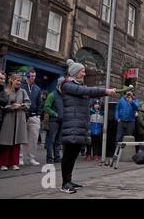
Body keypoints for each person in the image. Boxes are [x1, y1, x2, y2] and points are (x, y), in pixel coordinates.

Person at [60, 59, 116, 194]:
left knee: (73, 154)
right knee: (68, 154)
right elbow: (87, 91)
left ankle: (69, 180)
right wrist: (105, 91)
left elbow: (88, 95)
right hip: (71, 123)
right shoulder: (67, 85)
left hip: (80, 124)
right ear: (75, 73)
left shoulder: (80, 87)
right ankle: (64, 183)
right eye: (82, 71)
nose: (84, 74)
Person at [0, 74, 30, 171]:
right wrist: (11, 107)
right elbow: (1, 106)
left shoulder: (23, 92)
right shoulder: (6, 92)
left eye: (20, 81)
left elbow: (28, 104)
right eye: (17, 80)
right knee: (6, 141)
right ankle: (2, 163)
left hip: (20, 119)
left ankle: (14, 163)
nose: (19, 83)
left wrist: (21, 105)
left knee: (17, 142)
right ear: (11, 81)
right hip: (8, 119)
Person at [21, 69, 42, 166]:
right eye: (31, 76)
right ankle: (19, 158)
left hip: (34, 116)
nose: (33, 78)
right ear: (27, 76)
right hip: (23, 115)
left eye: (34, 76)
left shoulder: (37, 88)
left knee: (33, 139)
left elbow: (39, 103)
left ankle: (31, 158)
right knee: (21, 138)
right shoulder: (21, 86)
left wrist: (38, 114)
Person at [43, 77, 65, 164]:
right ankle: (49, 158)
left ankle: (57, 157)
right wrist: (55, 114)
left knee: (58, 141)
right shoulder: (52, 95)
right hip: (53, 121)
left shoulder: (65, 95)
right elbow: (46, 107)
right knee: (50, 140)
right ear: (59, 85)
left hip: (61, 121)